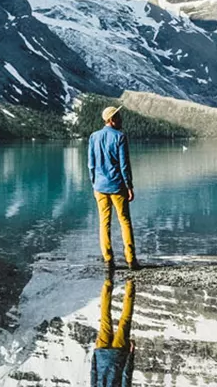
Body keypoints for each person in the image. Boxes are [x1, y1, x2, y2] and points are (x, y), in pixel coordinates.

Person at [88, 106, 136, 269]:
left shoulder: (94, 136)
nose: (121, 119)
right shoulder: (120, 137)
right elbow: (124, 165)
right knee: (125, 222)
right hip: (117, 186)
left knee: (104, 223)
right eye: (118, 116)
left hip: (99, 187)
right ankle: (131, 260)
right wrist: (129, 186)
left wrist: (94, 182)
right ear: (111, 120)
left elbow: (91, 164)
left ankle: (108, 260)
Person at [90, 274, 136, 387]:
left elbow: (126, 376)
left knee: (125, 320)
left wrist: (131, 355)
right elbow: (93, 374)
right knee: (105, 316)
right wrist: (95, 353)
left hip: (118, 356)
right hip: (101, 353)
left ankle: (130, 283)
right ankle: (108, 281)